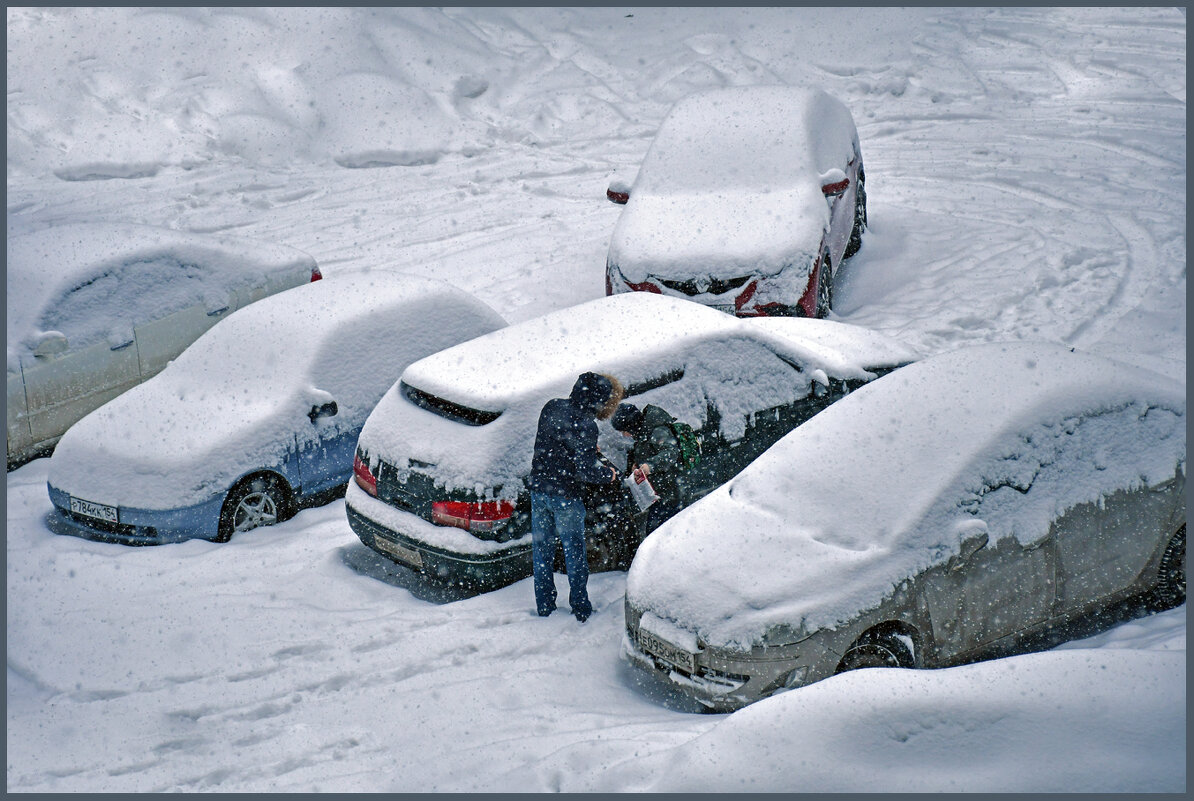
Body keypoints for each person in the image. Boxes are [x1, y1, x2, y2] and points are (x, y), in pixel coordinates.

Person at [527, 371, 623, 622]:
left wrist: (585, 448)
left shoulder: (552, 406)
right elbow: (584, 471)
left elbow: (553, 441)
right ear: (598, 400)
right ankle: (580, 607)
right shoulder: (586, 424)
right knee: (574, 553)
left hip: (538, 490)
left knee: (542, 551)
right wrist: (609, 475)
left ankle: (545, 605)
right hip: (565, 496)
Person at [611, 402, 683, 542]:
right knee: (657, 537)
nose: (624, 435)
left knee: (658, 539)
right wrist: (635, 465)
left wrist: (649, 466)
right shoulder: (642, 432)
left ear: (631, 424)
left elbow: (670, 452)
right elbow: (646, 451)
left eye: (624, 430)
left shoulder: (656, 430)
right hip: (658, 495)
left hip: (668, 493)